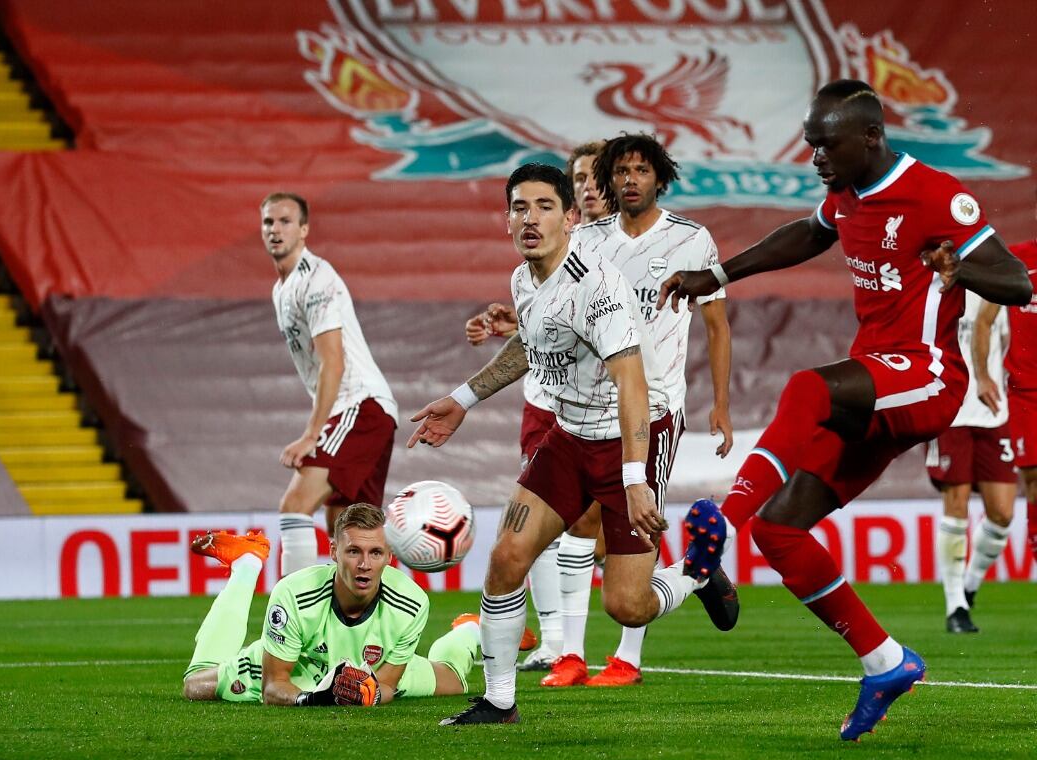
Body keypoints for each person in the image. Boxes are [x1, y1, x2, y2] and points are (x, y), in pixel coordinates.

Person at [659, 79, 1032, 740]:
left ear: (871, 137)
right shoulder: (846, 195)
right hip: (879, 379)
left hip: (927, 376)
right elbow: (805, 235)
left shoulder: (940, 195)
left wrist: (957, 267)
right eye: (810, 145)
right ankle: (886, 661)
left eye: (827, 144)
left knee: (807, 388)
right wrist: (716, 276)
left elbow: (1017, 281)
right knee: (784, 530)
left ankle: (716, 536)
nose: (816, 158)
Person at [410, 162, 738, 725]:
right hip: (568, 435)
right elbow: (531, 347)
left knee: (627, 606)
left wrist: (636, 482)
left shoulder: (598, 286)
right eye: (519, 207)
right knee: (506, 559)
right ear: (507, 220)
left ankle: (696, 572)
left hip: (631, 438)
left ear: (569, 218)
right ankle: (498, 701)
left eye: (543, 207)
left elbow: (632, 384)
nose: (529, 218)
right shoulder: (523, 278)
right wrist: (464, 398)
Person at [542, 132, 734, 689]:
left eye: (640, 171)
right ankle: (571, 656)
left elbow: (717, 327)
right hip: (589, 406)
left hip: (654, 408)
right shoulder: (586, 240)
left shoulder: (692, 240)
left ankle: (634, 649)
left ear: (660, 177)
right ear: (606, 180)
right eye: (620, 172)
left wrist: (720, 405)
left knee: (636, 525)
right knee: (579, 521)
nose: (630, 180)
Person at [462, 141, 612, 672]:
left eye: (596, 177)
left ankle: (688, 577)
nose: (590, 185)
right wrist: (510, 325)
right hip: (547, 405)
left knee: (620, 583)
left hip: (611, 413)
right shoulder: (528, 269)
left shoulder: (616, 255)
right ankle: (557, 646)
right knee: (531, 536)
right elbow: (539, 326)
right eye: (581, 176)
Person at [182, 503, 530, 705]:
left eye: (375, 552)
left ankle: (470, 630)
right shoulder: (293, 594)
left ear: (389, 556)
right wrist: (318, 697)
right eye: (353, 551)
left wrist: (367, 693)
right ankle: (247, 565)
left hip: (368, 670)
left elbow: (389, 685)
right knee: (197, 685)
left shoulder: (411, 602)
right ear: (334, 552)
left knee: (455, 681)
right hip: (301, 669)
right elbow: (276, 685)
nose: (364, 564)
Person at [263, 193, 398, 577]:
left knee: (294, 508)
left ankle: (291, 620)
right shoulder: (282, 288)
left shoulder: (317, 280)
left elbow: (333, 362)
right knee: (353, 535)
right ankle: (367, 628)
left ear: (304, 229)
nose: (276, 229)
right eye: (269, 222)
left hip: (359, 405)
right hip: (367, 410)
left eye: (286, 221)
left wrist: (311, 434)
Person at [924, 290, 1014, 634]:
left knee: (1002, 513)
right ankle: (954, 605)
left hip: (993, 409)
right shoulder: (939, 289)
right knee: (956, 504)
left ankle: (969, 587)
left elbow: (1004, 339)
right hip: (951, 409)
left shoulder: (995, 288)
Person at [971, 194, 1037, 613]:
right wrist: (982, 374)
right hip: (1028, 392)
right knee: (1033, 483)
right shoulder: (1018, 261)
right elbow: (984, 320)